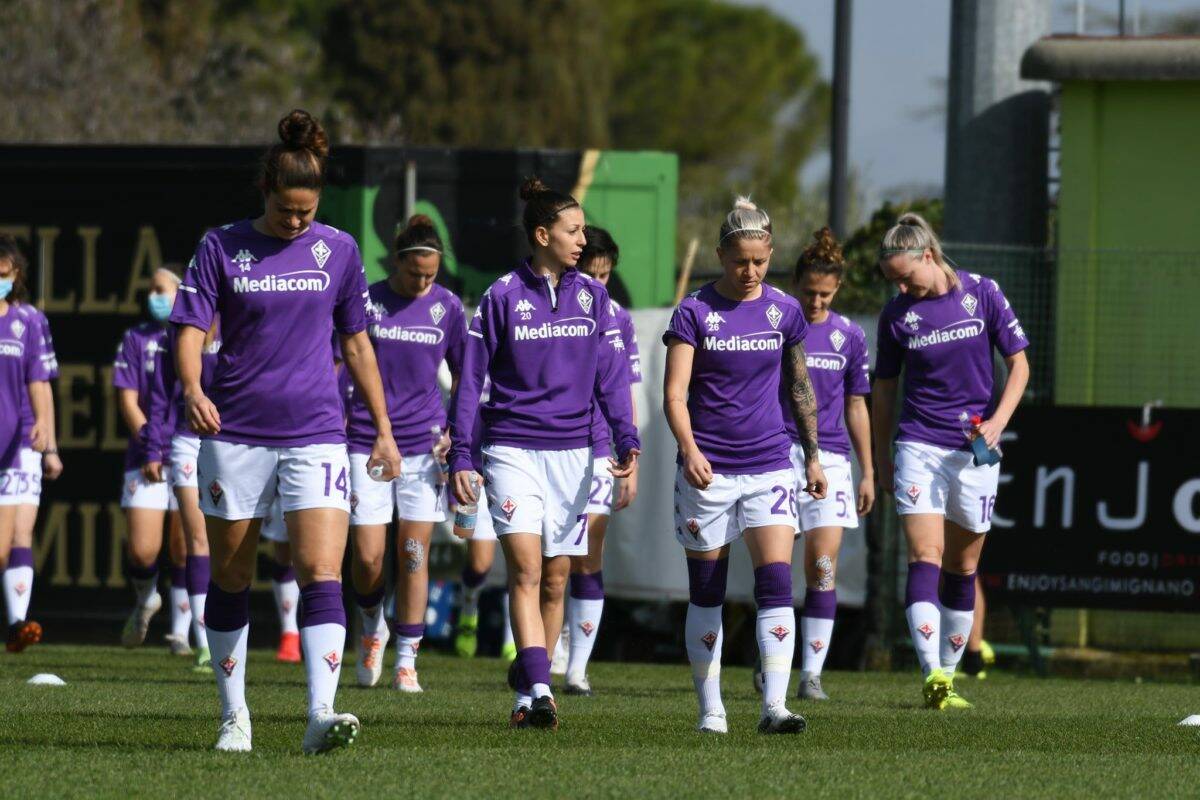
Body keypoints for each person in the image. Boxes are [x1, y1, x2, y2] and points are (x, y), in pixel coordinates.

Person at [172, 109, 400, 753]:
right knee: (233, 574)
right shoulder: (221, 245)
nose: (295, 221)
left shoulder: (341, 251)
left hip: (318, 431)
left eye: (306, 211)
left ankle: (319, 715)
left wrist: (381, 430)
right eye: (285, 210)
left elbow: (357, 345)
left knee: (322, 571)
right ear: (265, 193)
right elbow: (190, 329)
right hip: (236, 431)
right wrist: (192, 389)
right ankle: (233, 717)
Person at [448, 177, 639, 731]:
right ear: (541, 234)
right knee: (527, 571)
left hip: (575, 457)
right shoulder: (500, 296)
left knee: (557, 579)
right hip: (511, 451)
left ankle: (533, 681)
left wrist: (627, 436)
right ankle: (537, 689)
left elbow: (611, 378)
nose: (582, 241)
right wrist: (463, 454)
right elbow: (470, 384)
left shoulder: (595, 297)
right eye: (572, 231)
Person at [663, 197, 825, 735]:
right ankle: (711, 709)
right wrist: (689, 449)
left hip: (770, 465)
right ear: (720, 256)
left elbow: (800, 386)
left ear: (770, 254)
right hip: (709, 469)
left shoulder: (785, 311)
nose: (750, 271)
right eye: (739, 262)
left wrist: (814, 457)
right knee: (707, 590)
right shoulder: (693, 312)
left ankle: (774, 707)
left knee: (777, 582)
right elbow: (675, 395)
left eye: (759, 261)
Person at [873, 212, 1029, 710]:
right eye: (893, 280)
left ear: (929, 255)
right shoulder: (896, 315)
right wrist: (877, 460)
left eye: (906, 276)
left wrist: (999, 421)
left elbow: (1020, 363)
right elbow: (884, 390)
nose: (902, 287)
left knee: (963, 565)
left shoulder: (982, 292)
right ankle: (931, 672)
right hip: (919, 444)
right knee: (925, 555)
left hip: (975, 449)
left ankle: (951, 677)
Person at [344, 214, 465, 692]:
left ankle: (407, 660)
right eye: (415, 273)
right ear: (397, 263)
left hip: (422, 447)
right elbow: (345, 361)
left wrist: (458, 430)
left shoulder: (449, 307)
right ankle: (372, 625)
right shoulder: (366, 301)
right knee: (370, 558)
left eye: (431, 275)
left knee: (414, 554)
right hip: (366, 440)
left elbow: (465, 375)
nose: (423, 283)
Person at [551, 225, 641, 696]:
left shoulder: (620, 320)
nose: (599, 284)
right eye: (592, 273)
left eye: (606, 275)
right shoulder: (551, 311)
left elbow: (625, 393)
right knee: (550, 559)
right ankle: (538, 648)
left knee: (587, 556)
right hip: (549, 446)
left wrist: (632, 457)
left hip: (599, 450)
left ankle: (577, 667)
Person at [787, 228, 874, 701]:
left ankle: (811, 674)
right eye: (808, 292)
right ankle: (772, 657)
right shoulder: (777, 324)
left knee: (822, 566)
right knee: (776, 565)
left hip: (832, 460)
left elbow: (857, 405)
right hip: (776, 454)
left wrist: (869, 471)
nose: (815, 302)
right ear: (796, 284)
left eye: (824, 294)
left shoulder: (850, 336)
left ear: (836, 289)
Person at [143, 301, 221, 670]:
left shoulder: (243, 320)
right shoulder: (176, 332)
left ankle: (225, 633)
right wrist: (153, 449)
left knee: (228, 542)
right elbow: (160, 396)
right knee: (198, 538)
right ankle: (204, 640)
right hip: (187, 440)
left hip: (233, 443)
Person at [113, 266, 186, 649]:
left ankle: (182, 631)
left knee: (184, 548)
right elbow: (128, 399)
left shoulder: (195, 337)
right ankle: (146, 600)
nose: (154, 296)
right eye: (151, 290)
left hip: (190, 453)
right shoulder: (135, 338)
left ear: (180, 293)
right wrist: (150, 444)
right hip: (146, 456)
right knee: (142, 551)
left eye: (162, 289)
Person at [0, 235, 51, 652]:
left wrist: (48, 441)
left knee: (21, 534)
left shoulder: (29, 320)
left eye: (4, 274)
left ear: (16, 275)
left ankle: (18, 625)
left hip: (19, 445)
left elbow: (40, 382)